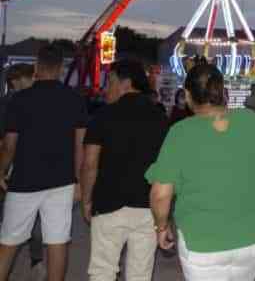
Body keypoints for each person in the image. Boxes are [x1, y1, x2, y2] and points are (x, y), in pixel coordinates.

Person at [146, 63, 255, 280]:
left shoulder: (180, 133)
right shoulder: (250, 122)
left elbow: (161, 195)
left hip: (202, 245)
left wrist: (161, 227)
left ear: (187, 95)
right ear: (222, 90)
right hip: (254, 239)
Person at [0, 46, 88, 281]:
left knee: (8, 241)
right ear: (60, 69)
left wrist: (1, 170)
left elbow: (9, 145)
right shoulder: (74, 100)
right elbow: (80, 145)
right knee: (57, 242)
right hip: (62, 182)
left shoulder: (19, 100)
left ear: (37, 67)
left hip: (24, 181)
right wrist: (79, 182)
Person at [81, 59, 169, 281]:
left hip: (109, 204)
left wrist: (86, 199)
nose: (106, 88)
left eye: (110, 82)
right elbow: (166, 167)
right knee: (140, 274)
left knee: (103, 271)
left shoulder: (102, 116)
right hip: (147, 207)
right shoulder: (160, 117)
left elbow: (90, 163)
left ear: (126, 83)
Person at [0, 64, 45, 277]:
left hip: (19, 169)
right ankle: (36, 262)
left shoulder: (14, 102)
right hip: (19, 169)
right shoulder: (11, 103)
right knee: (28, 221)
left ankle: (34, 262)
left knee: (18, 222)